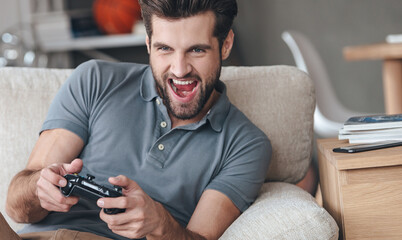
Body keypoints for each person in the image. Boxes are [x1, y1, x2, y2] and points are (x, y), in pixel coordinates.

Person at [4, 0, 271, 239]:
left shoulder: (245, 145)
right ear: (148, 44)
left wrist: (160, 224)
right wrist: (39, 189)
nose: (179, 69)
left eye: (196, 50)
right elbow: (16, 208)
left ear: (225, 45)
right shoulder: (94, 80)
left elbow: (200, 236)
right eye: (165, 48)